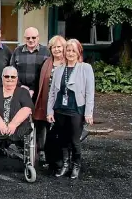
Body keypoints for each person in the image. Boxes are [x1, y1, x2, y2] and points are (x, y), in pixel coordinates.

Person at [47, 39, 95, 179]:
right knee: (62, 139)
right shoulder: (59, 69)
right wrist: (50, 111)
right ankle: (65, 164)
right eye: (68, 50)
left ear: (79, 52)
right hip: (60, 109)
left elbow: (89, 92)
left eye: (73, 50)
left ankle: (76, 166)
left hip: (76, 109)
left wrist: (89, 113)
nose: (70, 53)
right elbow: (52, 93)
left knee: (74, 140)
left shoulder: (85, 68)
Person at [33, 35, 66, 165]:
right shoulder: (46, 63)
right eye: (54, 47)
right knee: (44, 128)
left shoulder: (69, 62)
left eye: (59, 47)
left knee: (60, 130)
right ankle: (46, 155)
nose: (56, 50)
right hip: (46, 100)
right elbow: (40, 82)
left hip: (63, 102)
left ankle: (62, 158)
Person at [9, 27, 51, 103]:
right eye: (28, 38)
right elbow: (12, 71)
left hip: (39, 92)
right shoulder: (17, 51)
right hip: (20, 91)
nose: (31, 40)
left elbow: (47, 73)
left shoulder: (46, 52)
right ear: (24, 38)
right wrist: (20, 86)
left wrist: (33, 89)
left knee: (37, 114)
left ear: (38, 38)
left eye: (33, 37)